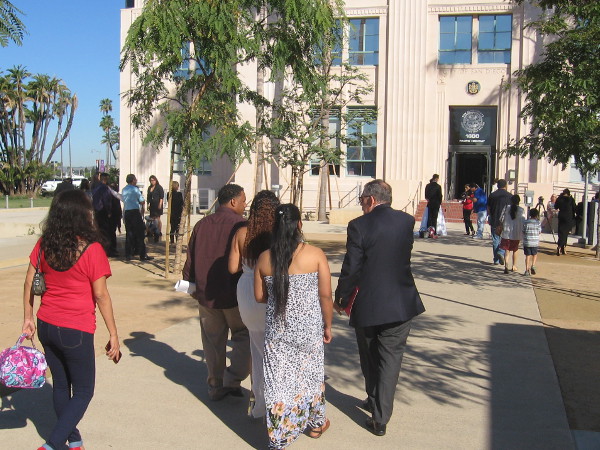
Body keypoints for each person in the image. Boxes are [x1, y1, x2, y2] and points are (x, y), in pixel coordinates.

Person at [21, 190, 120, 450]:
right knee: (84, 391)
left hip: (46, 325)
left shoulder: (44, 244)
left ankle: (73, 439)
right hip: (76, 329)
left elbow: (30, 281)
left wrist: (28, 316)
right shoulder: (92, 249)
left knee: (61, 386)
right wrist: (113, 333)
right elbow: (101, 295)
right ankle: (52, 444)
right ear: (82, 214)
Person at [334, 179, 425, 437]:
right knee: (390, 360)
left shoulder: (359, 226)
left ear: (371, 199)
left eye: (362, 199)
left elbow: (352, 268)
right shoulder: (406, 221)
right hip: (401, 302)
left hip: (369, 303)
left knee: (370, 355)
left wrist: (341, 298)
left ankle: (378, 411)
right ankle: (376, 405)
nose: (361, 204)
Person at [254, 203, 333, 448]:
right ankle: (316, 423)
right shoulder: (315, 254)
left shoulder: (265, 258)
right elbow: (325, 296)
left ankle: (279, 437)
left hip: (278, 329)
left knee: (278, 381)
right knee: (311, 375)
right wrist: (327, 326)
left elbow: (259, 297)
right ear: (299, 224)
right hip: (309, 328)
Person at [182, 184, 251, 401]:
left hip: (206, 294)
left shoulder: (202, 224)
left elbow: (190, 257)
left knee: (212, 341)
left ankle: (216, 384)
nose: (245, 204)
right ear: (233, 202)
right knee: (243, 337)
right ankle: (233, 378)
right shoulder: (242, 226)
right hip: (235, 295)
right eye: (243, 201)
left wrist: (190, 283)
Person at [228, 190, 280, 418]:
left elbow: (232, 268)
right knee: (277, 351)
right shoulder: (279, 234)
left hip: (248, 290)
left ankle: (259, 404)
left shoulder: (241, 233)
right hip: (273, 290)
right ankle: (277, 403)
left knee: (257, 349)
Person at [121, 174, 153, 261]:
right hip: (135, 211)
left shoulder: (124, 189)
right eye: (135, 179)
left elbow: (124, 200)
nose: (136, 180)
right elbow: (142, 201)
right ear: (133, 180)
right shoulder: (135, 189)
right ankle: (142, 254)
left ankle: (128, 254)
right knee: (140, 234)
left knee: (129, 233)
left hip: (127, 212)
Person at [92, 173, 118, 257]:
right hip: (103, 211)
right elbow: (106, 200)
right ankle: (108, 250)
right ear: (105, 179)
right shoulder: (104, 188)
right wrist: (109, 211)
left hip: (97, 211)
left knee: (100, 231)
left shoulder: (95, 188)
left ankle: (101, 249)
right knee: (107, 232)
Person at [487, 179, 512, 265]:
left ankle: (496, 259)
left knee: (495, 239)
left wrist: (489, 216)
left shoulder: (492, 195)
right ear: (505, 186)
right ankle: (501, 252)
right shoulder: (510, 196)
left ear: (497, 186)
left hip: (495, 219)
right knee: (504, 238)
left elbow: (488, 208)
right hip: (506, 220)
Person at [499, 194, 525, 274]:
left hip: (507, 232)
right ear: (519, 202)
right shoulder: (521, 210)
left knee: (507, 249)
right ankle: (514, 265)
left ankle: (506, 265)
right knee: (515, 249)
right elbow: (524, 221)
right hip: (516, 233)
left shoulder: (507, 208)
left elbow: (501, 219)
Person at [554, 188, 576, 255]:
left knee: (561, 232)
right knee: (565, 233)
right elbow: (574, 208)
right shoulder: (571, 199)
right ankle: (560, 246)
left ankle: (562, 247)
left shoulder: (559, 198)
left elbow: (556, 207)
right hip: (568, 217)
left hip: (561, 216)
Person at [522, 208, 542, 276]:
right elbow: (539, 231)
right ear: (537, 215)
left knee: (527, 256)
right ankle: (533, 265)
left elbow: (523, 231)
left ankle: (527, 270)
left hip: (527, 241)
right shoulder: (538, 222)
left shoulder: (526, 222)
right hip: (535, 241)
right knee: (535, 254)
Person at [147, 175, 164, 242]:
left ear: (156, 180)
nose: (152, 182)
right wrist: (148, 204)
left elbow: (161, 197)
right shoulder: (149, 188)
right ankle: (152, 231)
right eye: (151, 180)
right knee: (152, 218)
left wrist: (160, 204)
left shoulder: (159, 187)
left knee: (157, 218)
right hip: (152, 205)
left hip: (157, 205)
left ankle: (159, 231)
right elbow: (148, 197)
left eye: (153, 180)